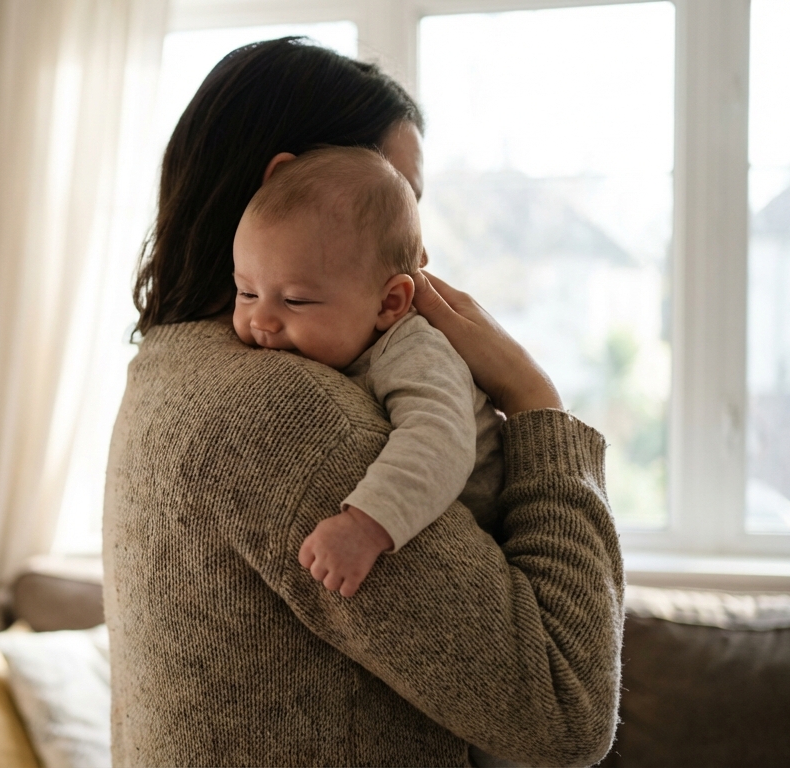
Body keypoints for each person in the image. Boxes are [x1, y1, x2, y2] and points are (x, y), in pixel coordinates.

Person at [105, 37, 624, 767]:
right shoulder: (283, 413)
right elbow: (566, 709)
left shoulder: (167, 367)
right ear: (286, 179)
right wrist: (537, 404)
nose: (420, 260)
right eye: (402, 198)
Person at [231, 146, 503, 597]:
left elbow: (441, 440)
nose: (261, 320)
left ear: (389, 303)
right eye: (245, 292)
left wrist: (366, 524)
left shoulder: (415, 352)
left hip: (486, 533)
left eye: (295, 300)